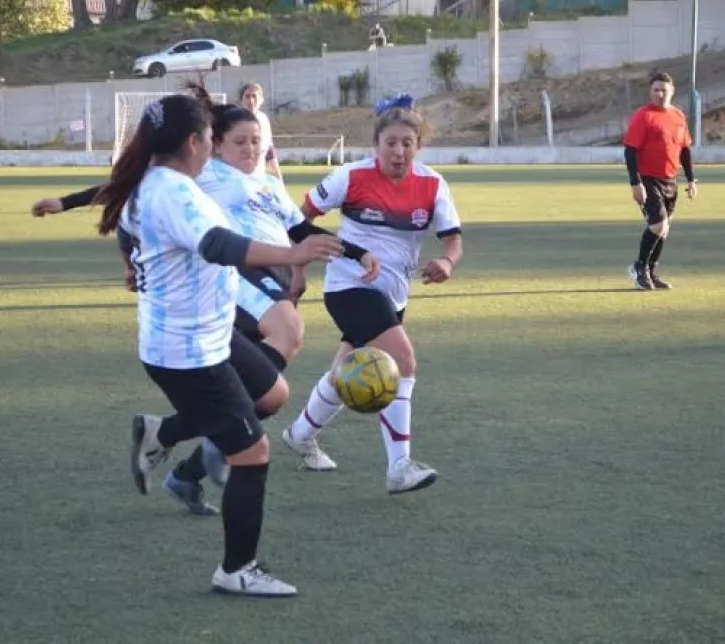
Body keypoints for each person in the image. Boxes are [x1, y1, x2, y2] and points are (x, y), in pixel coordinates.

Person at [93, 94, 342, 596]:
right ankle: (237, 570)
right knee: (253, 453)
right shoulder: (173, 193)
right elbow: (218, 245)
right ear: (194, 142)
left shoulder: (159, 182)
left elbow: (135, 232)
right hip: (188, 352)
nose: (213, 143)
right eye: (210, 135)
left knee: (272, 394)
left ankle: (161, 434)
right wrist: (293, 252)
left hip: (209, 334)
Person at [281, 93, 464, 495]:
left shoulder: (433, 184)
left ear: (418, 146)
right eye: (391, 142)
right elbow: (297, 220)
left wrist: (447, 263)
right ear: (376, 144)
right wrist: (297, 268)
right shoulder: (350, 177)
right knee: (403, 360)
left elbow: (453, 241)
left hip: (394, 296)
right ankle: (399, 467)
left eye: (407, 143)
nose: (399, 151)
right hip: (349, 286)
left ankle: (299, 435)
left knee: (342, 373)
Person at [623, 72, 697, 290]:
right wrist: (635, 184)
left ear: (672, 91)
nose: (660, 93)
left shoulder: (678, 116)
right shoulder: (644, 116)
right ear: (650, 91)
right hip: (648, 179)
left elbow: (685, 149)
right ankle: (639, 267)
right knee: (658, 224)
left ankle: (651, 273)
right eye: (656, 89)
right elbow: (630, 151)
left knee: (664, 230)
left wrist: (691, 180)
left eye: (664, 89)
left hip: (670, 179)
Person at [238, 83, 281, 179]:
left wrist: (279, 178)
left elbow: (269, 152)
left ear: (261, 100)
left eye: (254, 96)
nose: (251, 101)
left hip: (259, 177)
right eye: (247, 96)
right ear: (241, 100)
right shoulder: (234, 121)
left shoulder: (263, 119)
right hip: (239, 178)